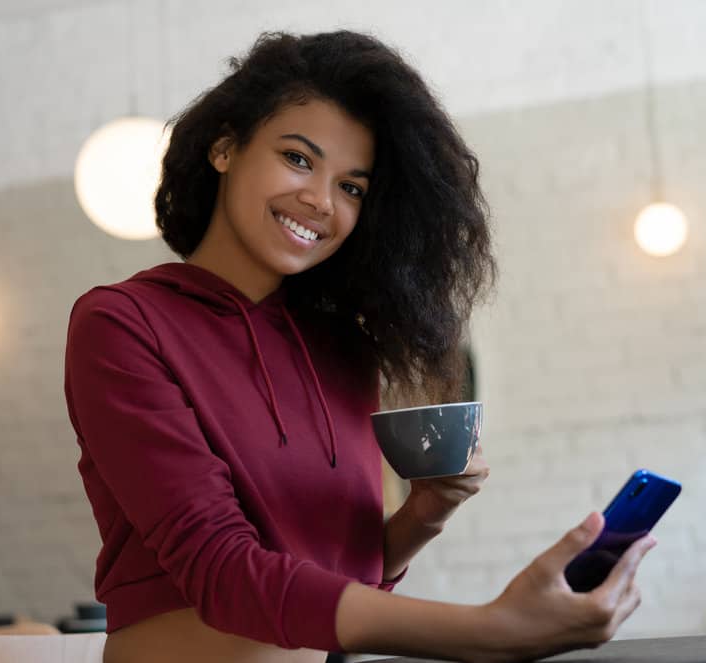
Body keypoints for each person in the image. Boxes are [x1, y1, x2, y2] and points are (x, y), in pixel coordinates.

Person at [63, 30, 656, 663]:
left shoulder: (342, 347)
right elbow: (224, 575)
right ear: (225, 147)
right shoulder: (122, 323)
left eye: (352, 187)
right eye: (298, 158)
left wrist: (424, 513)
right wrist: (492, 630)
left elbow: (345, 581)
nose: (320, 201)